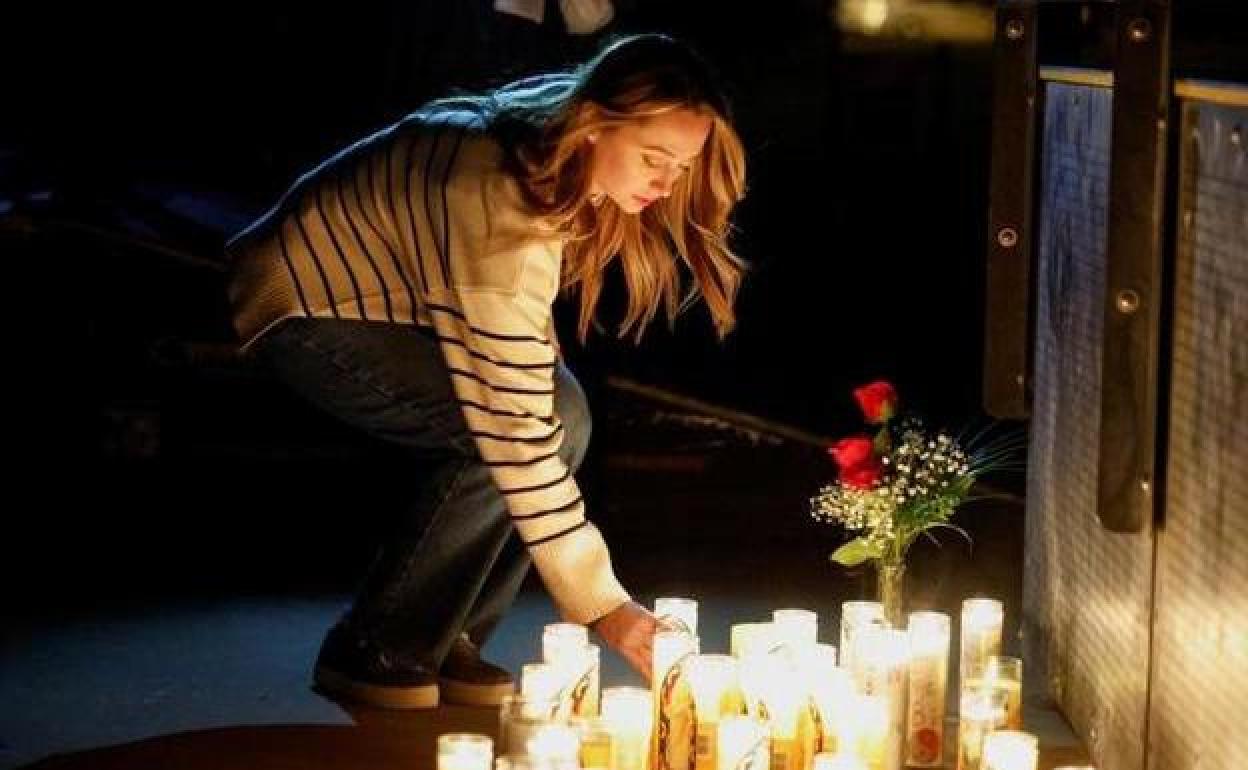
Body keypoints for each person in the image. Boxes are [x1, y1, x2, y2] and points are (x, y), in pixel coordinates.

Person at [225, 32, 747, 709]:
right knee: (501, 434)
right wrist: (607, 609)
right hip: (302, 303)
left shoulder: (553, 134)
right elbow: (511, 430)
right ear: (595, 123)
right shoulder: (500, 199)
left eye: (681, 166)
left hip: (391, 304)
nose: (667, 183)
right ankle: (376, 645)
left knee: (564, 412)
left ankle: (445, 633)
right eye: (654, 158)